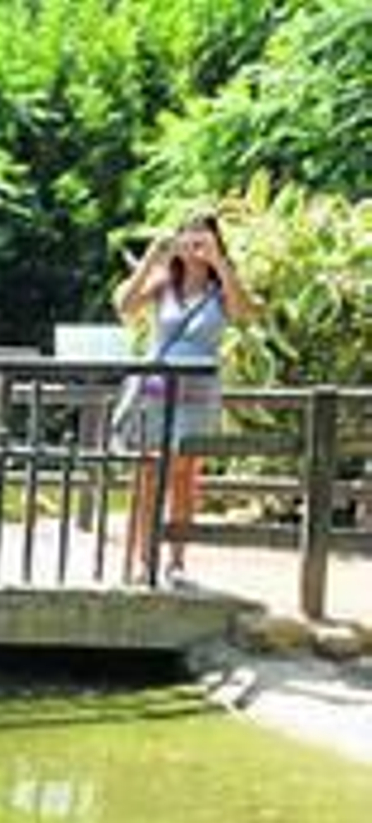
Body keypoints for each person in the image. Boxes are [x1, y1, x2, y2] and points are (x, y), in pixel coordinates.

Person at [112, 210, 257, 579]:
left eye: (201, 237)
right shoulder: (164, 283)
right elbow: (125, 307)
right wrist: (151, 259)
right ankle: (143, 558)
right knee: (147, 472)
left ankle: (176, 559)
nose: (193, 244)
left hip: (197, 392)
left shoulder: (221, 288)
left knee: (184, 475)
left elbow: (243, 314)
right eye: (187, 236)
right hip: (156, 388)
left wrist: (217, 262)